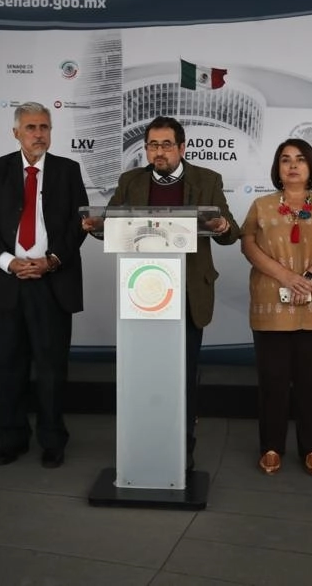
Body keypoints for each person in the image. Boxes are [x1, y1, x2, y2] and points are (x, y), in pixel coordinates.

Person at [85, 115, 240, 471]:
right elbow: (114, 226)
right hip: (142, 294)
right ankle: (142, 447)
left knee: (182, 376)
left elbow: (231, 232)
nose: (159, 152)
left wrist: (222, 226)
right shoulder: (130, 181)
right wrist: (95, 227)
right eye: (152, 145)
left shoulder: (207, 180)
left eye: (166, 145)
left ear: (182, 148)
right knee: (143, 373)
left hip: (186, 296)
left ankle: (181, 452)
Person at [0, 102, 88, 469]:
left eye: (44, 127)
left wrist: (52, 260)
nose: (38, 133)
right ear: (15, 133)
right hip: (8, 283)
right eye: (31, 127)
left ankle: (53, 440)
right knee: (8, 366)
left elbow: (78, 226)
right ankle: (12, 439)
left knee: (52, 369)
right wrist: (8, 263)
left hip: (52, 283)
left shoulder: (68, 170)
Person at [241, 139, 312, 476]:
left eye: (300, 159)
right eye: (285, 159)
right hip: (271, 305)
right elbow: (249, 245)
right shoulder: (261, 205)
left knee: (311, 384)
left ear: (311, 166)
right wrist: (287, 276)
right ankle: (271, 447)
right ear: (277, 168)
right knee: (272, 382)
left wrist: (308, 277)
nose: (292, 165)